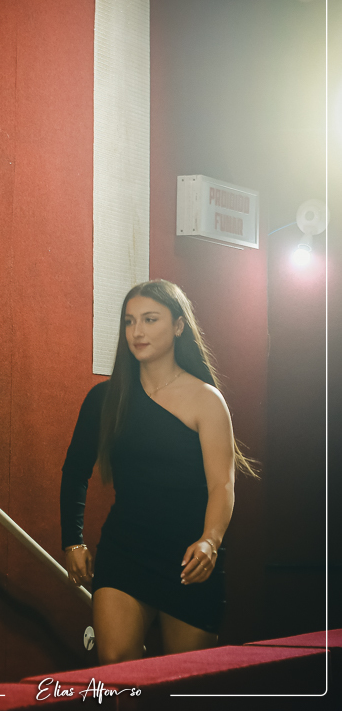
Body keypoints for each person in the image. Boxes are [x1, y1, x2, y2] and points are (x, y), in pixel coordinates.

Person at [60, 279, 256, 665]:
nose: (137, 331)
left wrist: (210, 541)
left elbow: (222, 484)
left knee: (182, 682)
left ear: (179, 325)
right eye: (130, 321)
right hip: (125, 550)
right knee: (116, 662)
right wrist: (73, 541)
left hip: (190, 558)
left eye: (150, 320)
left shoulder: (206, 399)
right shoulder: (104, 399)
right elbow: (75, 472)